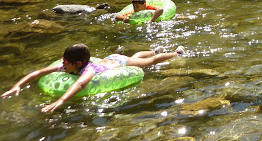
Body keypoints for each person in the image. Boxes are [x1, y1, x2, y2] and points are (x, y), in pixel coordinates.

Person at [1, 43, 185, 113]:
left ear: (77, 64)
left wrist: (61, 100)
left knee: (149, 62)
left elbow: (81, 84)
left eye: (66, 62)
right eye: (63, 60)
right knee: (134, 57)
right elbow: (38, 73)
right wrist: (17, 86)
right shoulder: (67, 65)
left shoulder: (88, 70)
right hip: (110, 58)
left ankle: (175, 53)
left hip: (119, 63)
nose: (63, 64)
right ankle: (153, 49)